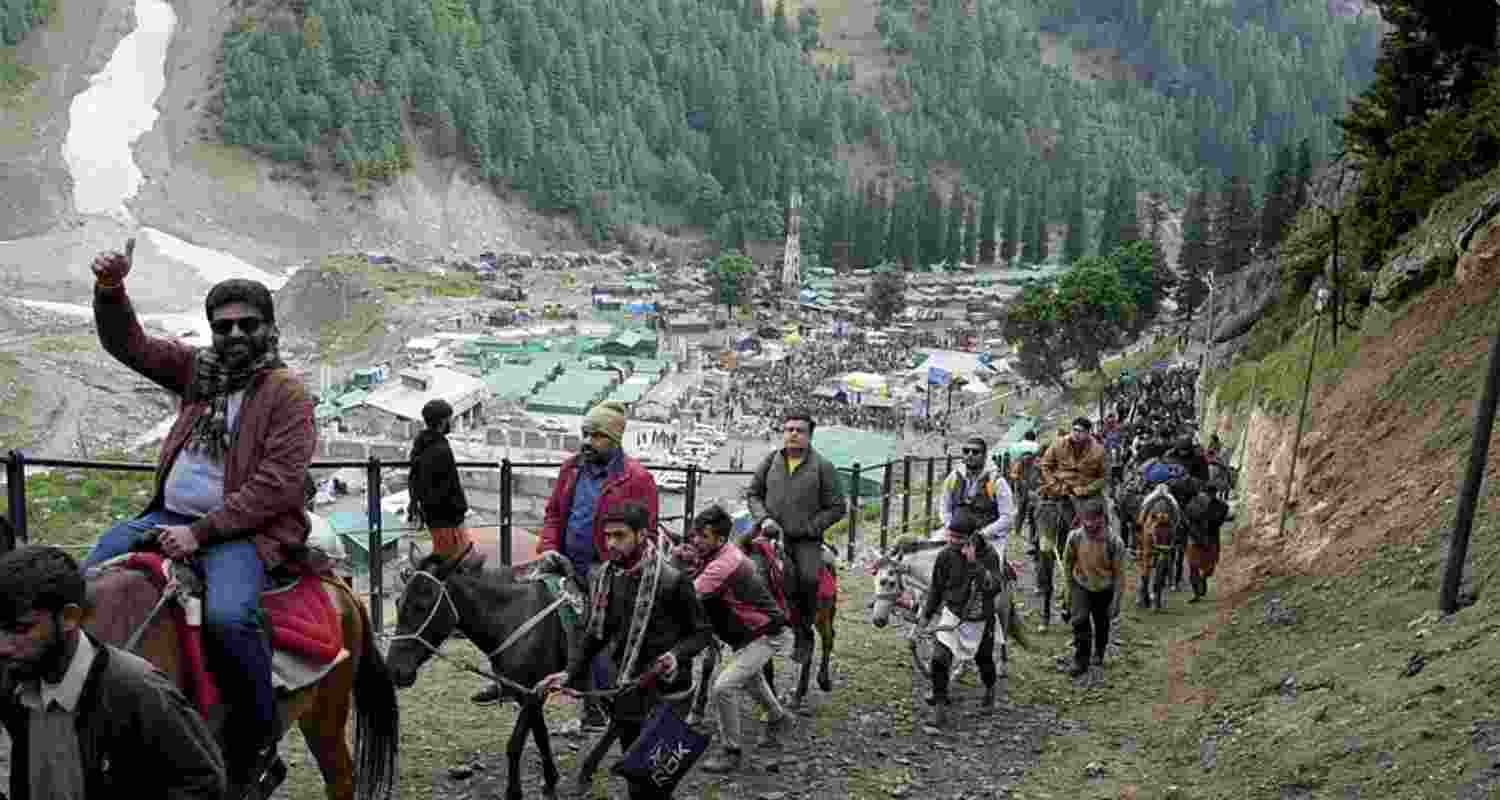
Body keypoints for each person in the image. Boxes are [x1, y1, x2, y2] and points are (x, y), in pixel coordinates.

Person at [84, 241, 315, 791]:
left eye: (247, 325)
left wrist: (200, 532)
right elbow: (131, 345)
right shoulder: (198, 372)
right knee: (87, 582)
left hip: (242, 531)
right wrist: (111, 291)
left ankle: (257, 739)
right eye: (223, 326)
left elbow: (277, 486)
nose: (234, 335)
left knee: (229, 619)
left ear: (270, 329)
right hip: (167, 514)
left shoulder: (288, 396)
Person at [473, 401, 659, 712]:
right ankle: (511, 679)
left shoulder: (637, 479)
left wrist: (619, 566)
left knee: (593, 630)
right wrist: (548, 548)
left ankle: (596, 703)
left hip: (607, 570)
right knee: (524, 604)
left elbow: (647, 533)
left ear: (614, 440)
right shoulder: (571, 469)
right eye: (585, 433)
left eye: (597, 435)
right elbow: (554, 515)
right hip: (563, 561)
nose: (587, 441)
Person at [0, 546, 227, 799]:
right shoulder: (14, 679)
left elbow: (202, 784)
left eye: (20, 630)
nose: (3, 646)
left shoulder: (139, 691)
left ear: (69, 618)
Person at [534, 504, 713, 800]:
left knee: (656, 780)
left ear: (642, 535)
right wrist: (568, 673)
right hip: (629, 690)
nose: (611, 544)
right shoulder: (607, 577)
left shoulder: (672, 581)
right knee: (635, 776)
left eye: (620, 536)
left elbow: (701, 632)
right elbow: (595, 636)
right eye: (607, 536)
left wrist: (674, 656)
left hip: (668, 693)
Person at [685, 506, 793, 774]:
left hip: (766, 634)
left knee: (723, 687)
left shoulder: (724, 564)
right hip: (750, 635)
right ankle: (779, 718)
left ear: (720, 539)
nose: (695, 540)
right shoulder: (719, 553)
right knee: (751, 679)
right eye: (694, 534)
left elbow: (687, 596)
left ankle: (731, 751)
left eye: (702, 536)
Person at [746, 410, 843, 666]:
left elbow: (837, 507)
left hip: (804, 540)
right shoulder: (770, 461)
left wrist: (811, 528)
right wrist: (764, 518)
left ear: (810, 436)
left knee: (809, 578)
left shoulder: (823, 467)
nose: (793, 434)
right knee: (738, 563)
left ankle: (803, 633)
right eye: (789, 429)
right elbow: (753, 494)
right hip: (767, 533)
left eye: (799, 430)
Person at [917, 509, 1006, 728]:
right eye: (950, 536)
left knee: (983, 661)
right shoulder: (946, 555)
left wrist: (974, 564)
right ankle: (939, 708)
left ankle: (990, 690)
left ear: (971, 537)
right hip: (952, 615)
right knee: (939, 660)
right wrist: (924, 620)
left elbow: (993, 587)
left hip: (980, 618)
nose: (952, 541)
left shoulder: (990, 555)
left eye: (957, 538)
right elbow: (936, 590)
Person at [1035, 417, 1107, 628]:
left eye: (1081, 431)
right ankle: (1039, 546)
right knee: (1040, 514)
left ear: (1088, 433)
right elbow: (1045, 466)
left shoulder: (1099, 451)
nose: (1077, 434)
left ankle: (1101, 562)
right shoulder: (1058, 444)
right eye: (1074, 430)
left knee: (1097, 522)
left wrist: (1084, 490)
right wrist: (1055, 486)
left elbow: (1103, 478)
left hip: (1084, 496)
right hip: (1058, 492)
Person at [1060, 497, 1125, 677]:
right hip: (1081, 584)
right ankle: (1081, 660)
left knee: (1101, 622)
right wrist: (1068, 590)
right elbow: (1067, 564)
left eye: (1092, 520)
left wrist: (1116, 601)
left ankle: (1100, 650)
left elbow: (1120, 575)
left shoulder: (1114, 542)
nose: (1088, 524)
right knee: (1079, 621)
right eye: (1085, 520)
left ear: (1101, 519)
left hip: (1104, 588)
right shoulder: (1075, 537)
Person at [408, 398, 473, 559]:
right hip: (447, 518)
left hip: (434, 517)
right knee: (455, 561)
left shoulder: (422, 445)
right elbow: (447, 488)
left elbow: (415, 480)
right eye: (450, 419)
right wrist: (459, 512)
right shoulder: (440, 450)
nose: (451, 422)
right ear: (443, 421)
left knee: (447, 557)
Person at [938, 436, 1014, 558]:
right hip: (955, 534)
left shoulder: (996, 482)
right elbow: (944, 506)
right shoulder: (953, 477)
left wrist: (984, 534)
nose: (970, 455)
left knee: (992, 572)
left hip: (989, 538)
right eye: (966, 451)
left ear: (984, 456)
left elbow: (1007, 517)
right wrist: (949, 525)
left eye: (975, 452)